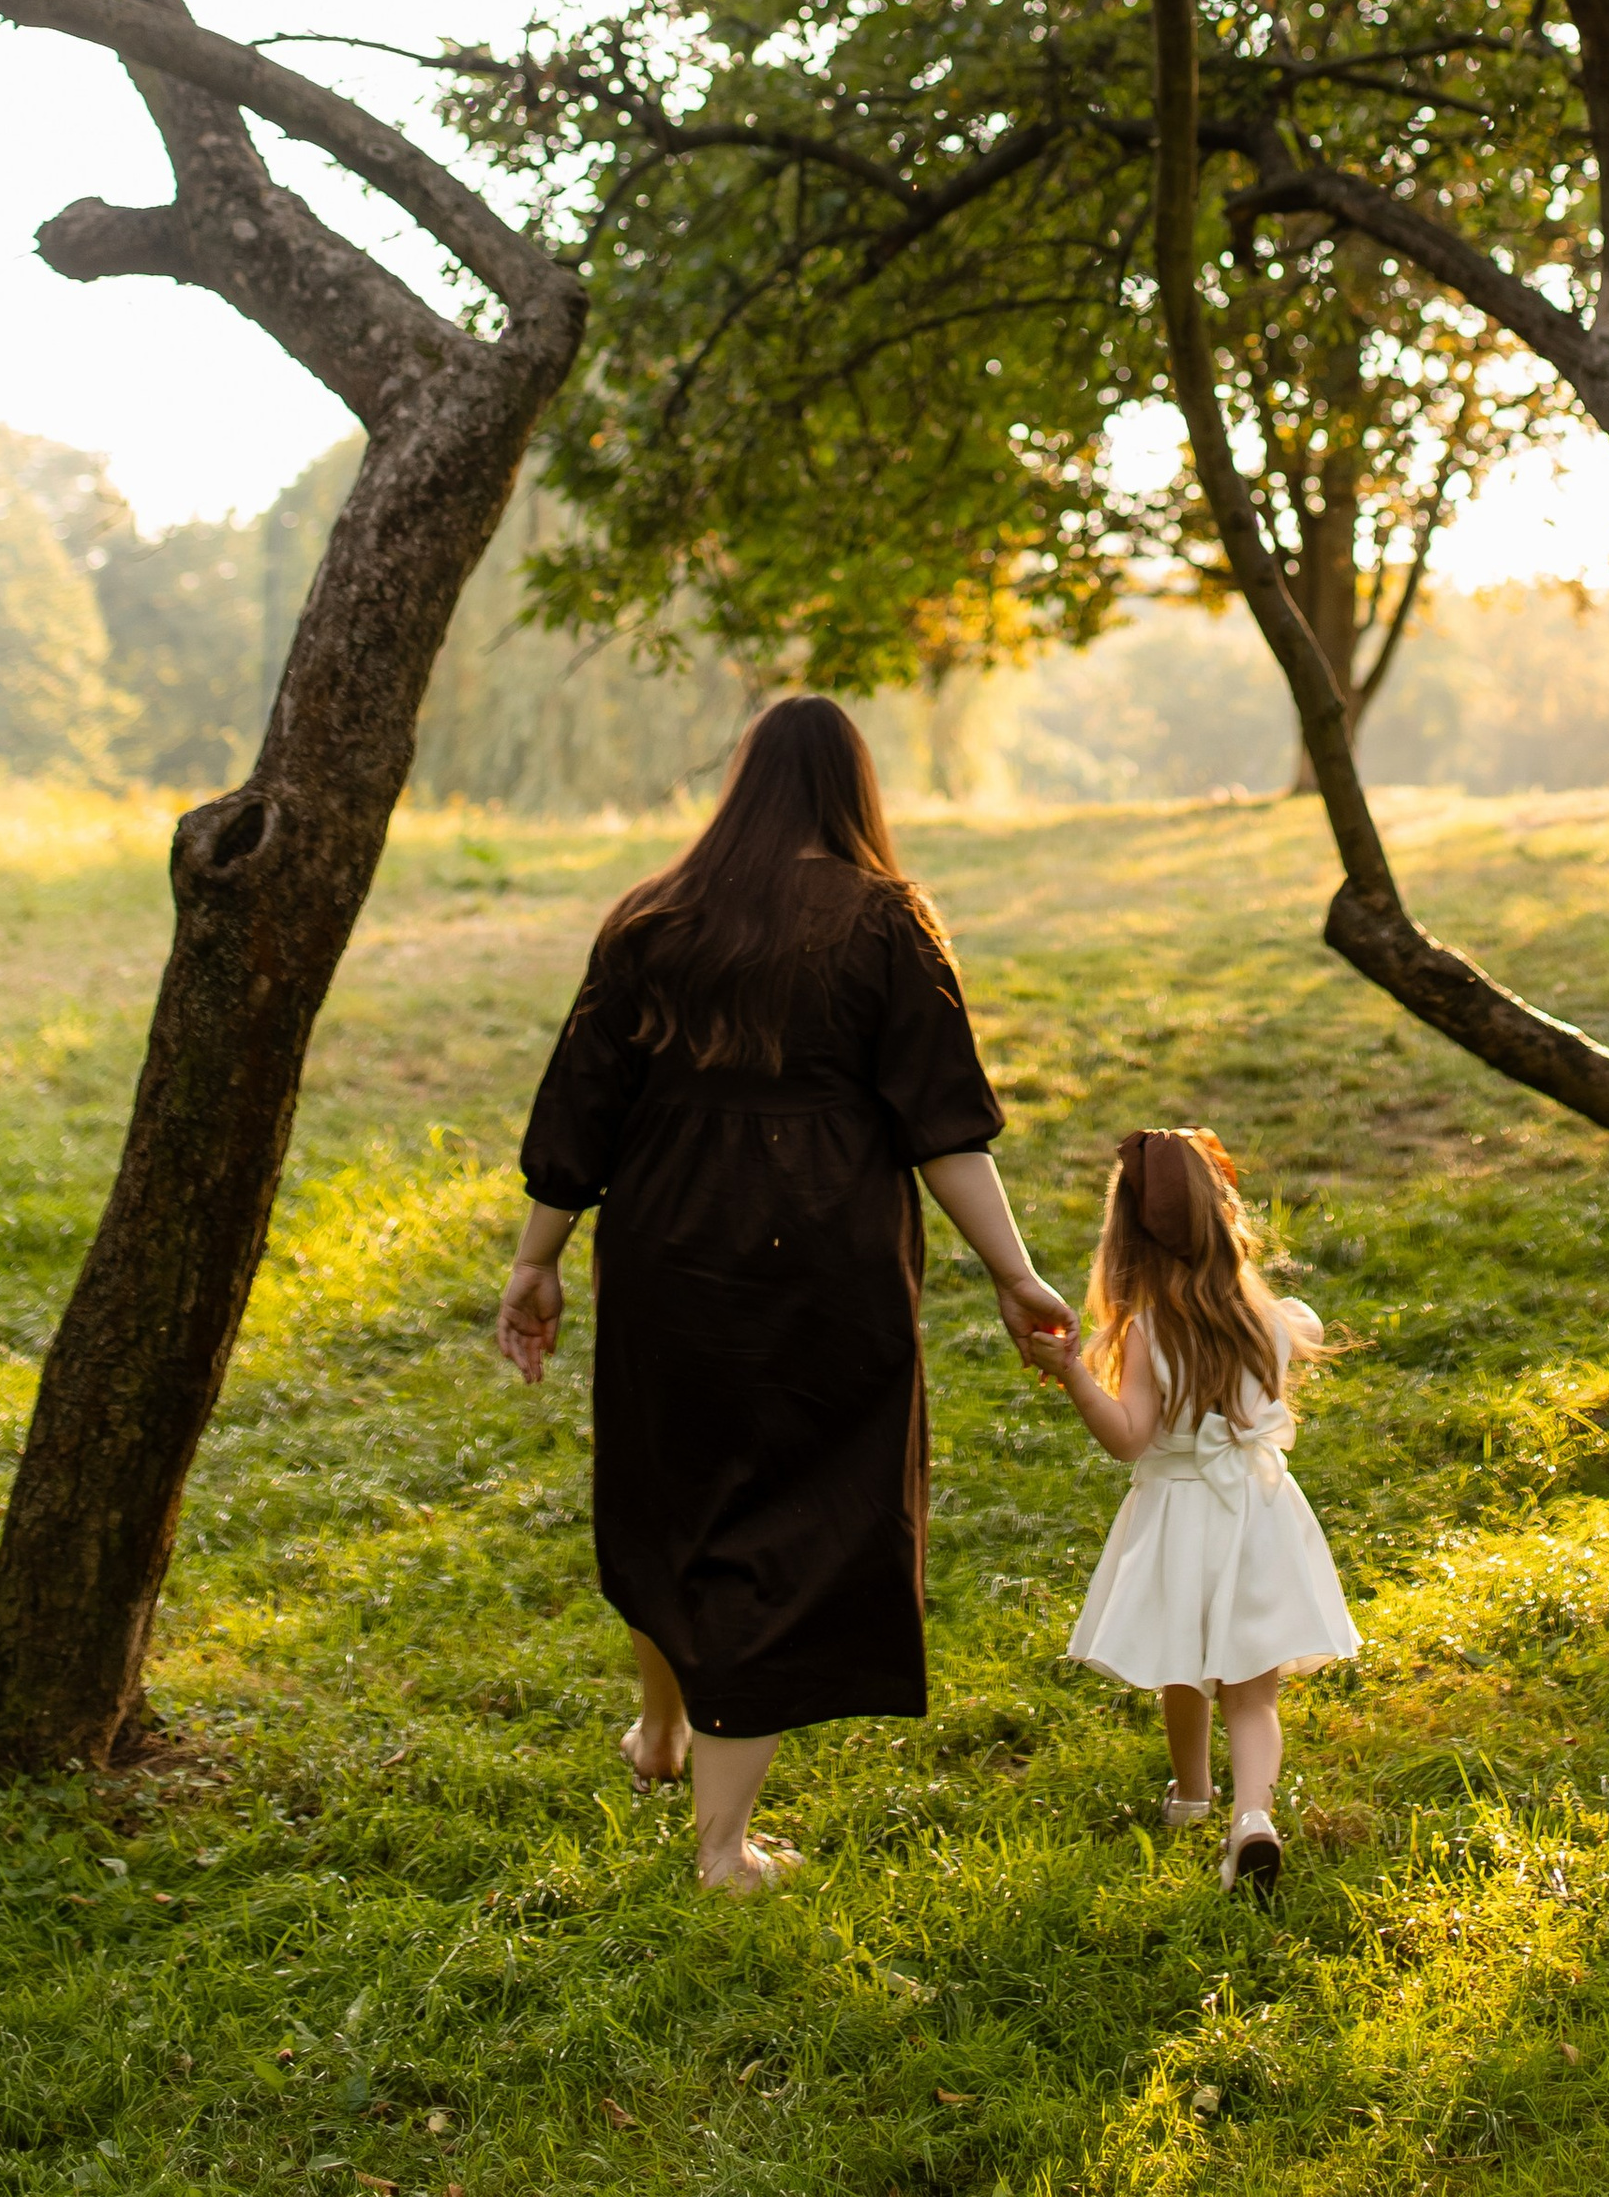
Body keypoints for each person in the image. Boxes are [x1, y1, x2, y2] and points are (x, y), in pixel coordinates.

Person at [496, 695, 1074, 1892]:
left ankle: (663, 1732)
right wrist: (1011, 1274)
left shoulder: (653, 918)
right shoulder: (886, 924)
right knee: (789, 1512)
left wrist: (535, 1256)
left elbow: (580, 1110)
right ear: (852, 789)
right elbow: (944, 1130)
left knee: (675, 1479)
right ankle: (721, 1848)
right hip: (823, 1252)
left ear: (744, 783)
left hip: (666, 1241)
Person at [1028, 1124, 1359, 1900]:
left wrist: (1075, 1372)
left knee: (1185, 1663)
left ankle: (1191, 1795)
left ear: (1127, 1245)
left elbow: (1128, 1439)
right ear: (1226, 1217)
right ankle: (1253, 1819)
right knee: (1254, 1688)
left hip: (1181, 1519)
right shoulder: (1277, 1321)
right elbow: (1303, 1323)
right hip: (1260, 1513)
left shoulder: (1147, 1334)